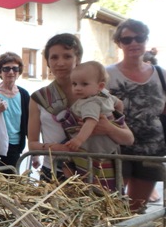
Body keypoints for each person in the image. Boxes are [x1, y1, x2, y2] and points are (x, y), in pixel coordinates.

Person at [28, 34, 134, 183]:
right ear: (47, 62)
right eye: (54, 57)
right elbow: (32, 144)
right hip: (56, 173)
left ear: (77, 59)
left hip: (99, 174)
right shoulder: (38, 98)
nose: (60, 63)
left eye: (67, 56)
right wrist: (54, 148)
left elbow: (128, 138)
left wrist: (108, 128)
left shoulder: (99, 95)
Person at [106, 19, 166, 211]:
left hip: (151, 150)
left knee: (137, 209)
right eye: (127, 39)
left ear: (145, 40)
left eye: (139, 38)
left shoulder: (161, 74)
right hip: (116, 150)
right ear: (119, 43)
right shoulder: (107, 75)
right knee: (110, 207)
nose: (133, 43)